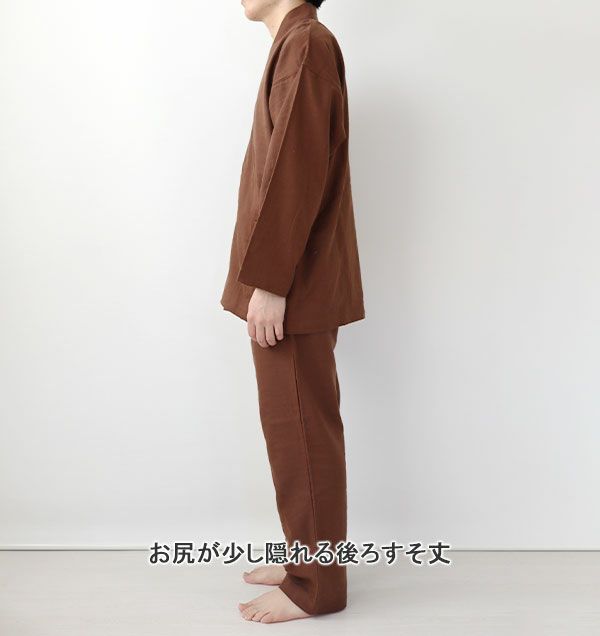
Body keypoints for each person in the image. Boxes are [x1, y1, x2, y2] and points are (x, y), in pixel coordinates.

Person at [220, 0, 365, 623]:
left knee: (302, 431)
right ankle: (306, 558)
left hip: (291, 288)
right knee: (293, 430)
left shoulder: (306, 44)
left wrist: (271, 283)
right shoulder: (299, 44)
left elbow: (297, 170)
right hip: (288, 282)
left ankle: (316, 585)